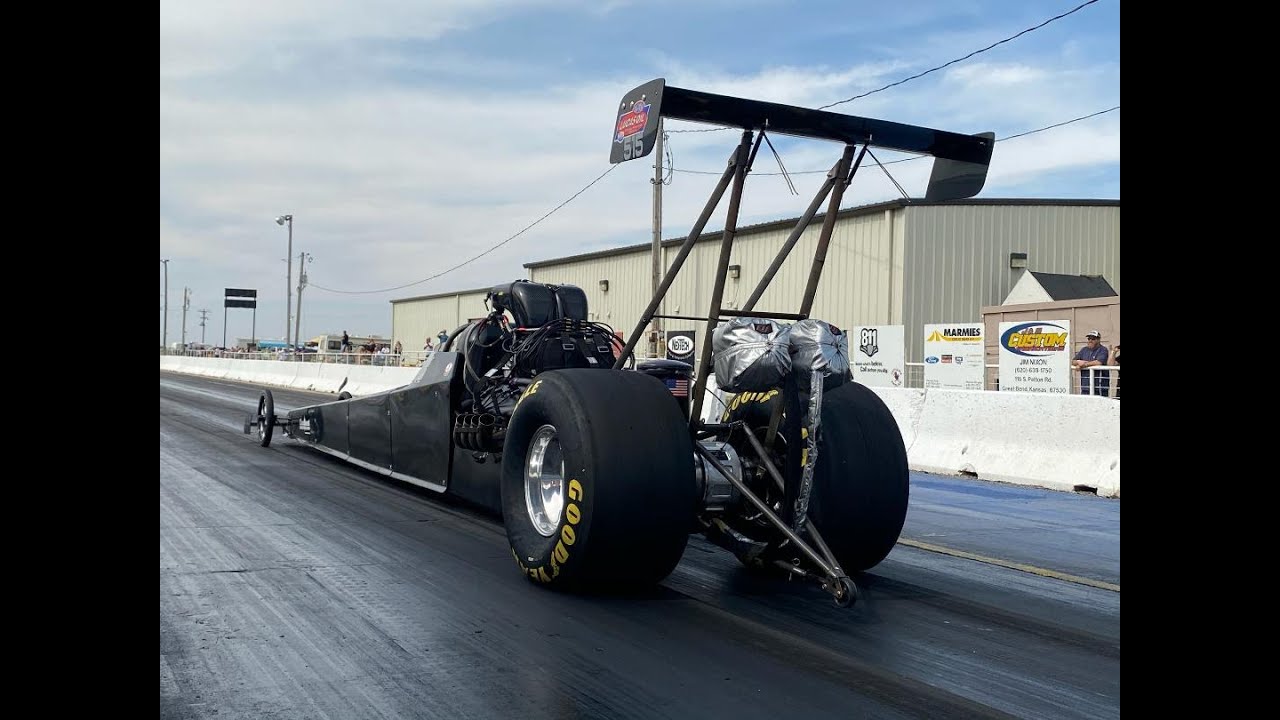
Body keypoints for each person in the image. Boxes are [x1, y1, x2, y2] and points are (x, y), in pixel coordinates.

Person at [1071, 330, 1110, 396]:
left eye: (1093, 339)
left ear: (1098, 340)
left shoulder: (1103, 349)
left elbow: (1099, 362)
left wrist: (1084, 365)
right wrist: (1078, 362)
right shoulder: (1084, 349)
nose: (1090, 340)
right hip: (1085, 386)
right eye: (1089, 338)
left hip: (1100, 387)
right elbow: (1073, 361)